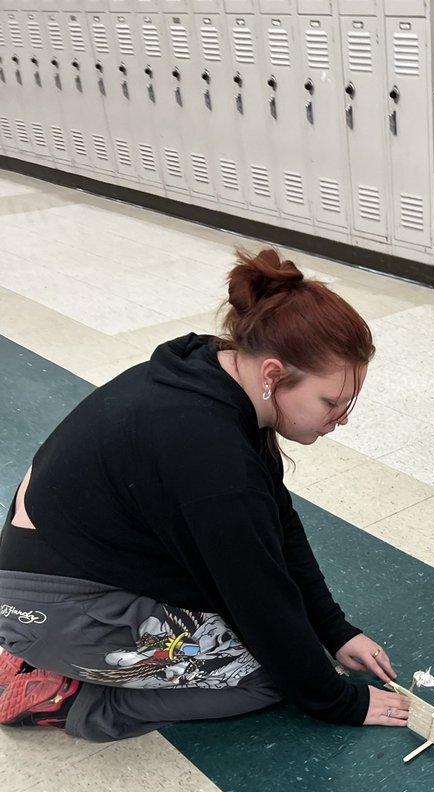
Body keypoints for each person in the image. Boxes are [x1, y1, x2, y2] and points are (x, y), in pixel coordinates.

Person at [0, 247, 410, 739]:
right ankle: (74, 700)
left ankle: (64, 656)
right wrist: (336, 700)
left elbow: (278, 526)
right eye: (332, 402)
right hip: (54, 607)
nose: (341, 419)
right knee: (268, 674)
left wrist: (333, 628)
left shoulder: (213, 370)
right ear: (274, 374)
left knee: (289, 646)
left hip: (59, 574)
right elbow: (257, 594)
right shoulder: (210, 456)